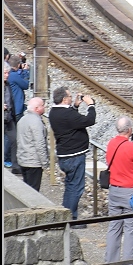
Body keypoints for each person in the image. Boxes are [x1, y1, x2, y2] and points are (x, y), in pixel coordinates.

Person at [48, 86, 96, 222]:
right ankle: (69, 218)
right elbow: (89, 120)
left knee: (70, 186)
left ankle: (68, 215)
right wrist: (91, 105)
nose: (71, 97)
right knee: (76, 187)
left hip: (64, 156)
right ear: (64, 99)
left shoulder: (53, 112)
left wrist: (75, 105)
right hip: (74, 156)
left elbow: (71, 120)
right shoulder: (67, 115)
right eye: (69, 96)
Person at [103, 116, 133, 265]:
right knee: (130, 228)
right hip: (129, 191)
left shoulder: (111, 144)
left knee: (114, 227)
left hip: (113, 190)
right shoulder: (132, 147)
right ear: (129, 129)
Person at [16, 96, 49, 192]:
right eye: (43, 105)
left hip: (23, 160)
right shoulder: (36, 122)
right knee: (33, 191)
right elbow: (40, 143)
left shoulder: (22, 120)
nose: (45, 107)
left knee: (27, 189)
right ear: (37, 108)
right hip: (33, 162)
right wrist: (45, 163)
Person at [4, 55, 30, 169]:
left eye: (7, 73)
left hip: (10, 114)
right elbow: (25, 85)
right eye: (5, 73)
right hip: (10, 112)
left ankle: (15, 164)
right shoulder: (14, 77)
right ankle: (7, 158)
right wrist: (25, 72)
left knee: (13, 138)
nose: (7, 75)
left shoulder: (8, 83)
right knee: (10, 139)